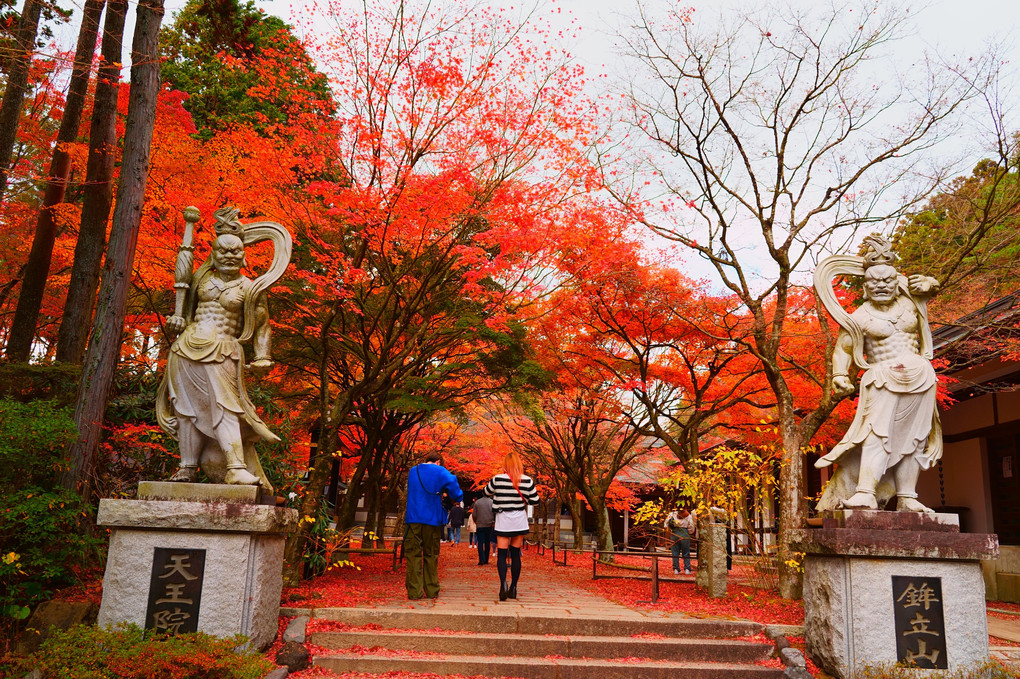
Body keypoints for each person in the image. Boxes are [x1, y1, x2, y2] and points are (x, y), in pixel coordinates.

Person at [157, 207, 290, 491]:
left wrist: (263, 355)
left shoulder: (250, 288)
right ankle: (187, 467)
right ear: (214, 254)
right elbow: (186, 311)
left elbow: (263, 325)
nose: (230, 256)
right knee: (185, 409)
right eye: (223, 251)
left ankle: (235, 467)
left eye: (236, 252)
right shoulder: (200, 280)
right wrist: (177, 318)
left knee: (226, 407)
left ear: (244, 256)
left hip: (224, 351)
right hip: (186, 348)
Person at [814, 236, 941, 512]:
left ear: (898, 283)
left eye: (887, 281)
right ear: (865, 287)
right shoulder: (859, 317)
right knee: (876, 433)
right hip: (882, 377)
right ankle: (865, 491)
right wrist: (839, 375)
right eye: (874, 282)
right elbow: (843, 350)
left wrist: (930, 284)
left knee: (916, 437)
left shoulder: (910, 305)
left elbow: (928, 290)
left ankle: (907, 496)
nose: (881, 286)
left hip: (920, 375)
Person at [404, 451, 463, 599]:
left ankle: (414, 591)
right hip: (432, 519)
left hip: (413, 518)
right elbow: (455, 492)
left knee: (413, 555)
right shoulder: (441, 471)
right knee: (431, 554)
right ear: (438, 462)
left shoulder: (413, 470)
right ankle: (431, 589)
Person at [484, 452, 539, 601]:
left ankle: (503, 584)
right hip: (519, 518)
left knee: (501, 554)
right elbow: (535, 500)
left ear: (505, 465)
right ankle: (514, 587)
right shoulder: (527, 480)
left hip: (503, 517)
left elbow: (486, 492)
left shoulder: (497, 479)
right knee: (515, 554)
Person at [664, 506, 696, 574]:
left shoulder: (672, 514)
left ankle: (676, 569)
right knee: (686, 552)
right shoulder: (688, 516)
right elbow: (691, 527)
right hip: (684, 533)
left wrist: (671, 530)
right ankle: (687, 569)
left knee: (675, 552)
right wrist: (688, 533)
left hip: (674, 533)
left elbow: (666, 523)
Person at [472, 495, 495, 565]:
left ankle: (481, 559)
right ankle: (486, 559)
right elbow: (494, 513)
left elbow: (474, 515)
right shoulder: (492, 502)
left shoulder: (477, 503)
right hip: (489, 524)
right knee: (487, 542)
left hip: (480, 525)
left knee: (480, 543)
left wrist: (476, 521)